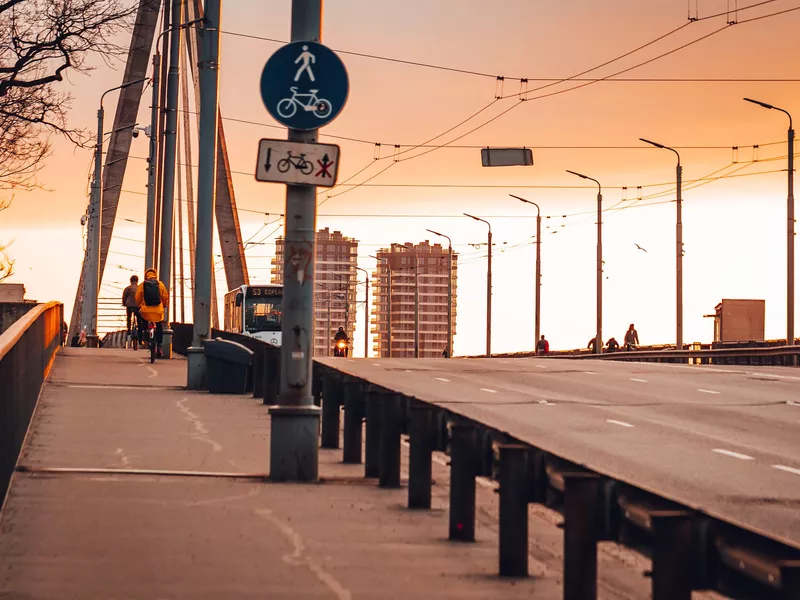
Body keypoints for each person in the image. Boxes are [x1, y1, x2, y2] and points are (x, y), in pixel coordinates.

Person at [135, 268, 168, 358]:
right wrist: (164, 305)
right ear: (155, 275)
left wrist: (139, 306)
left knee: (144, 323)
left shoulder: (143, 285)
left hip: (146, 310)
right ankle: (159, 347)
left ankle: (146, 339)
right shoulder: (160, 284)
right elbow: (165, 296)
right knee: (159, 326)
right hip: (158, 310)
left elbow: (138, 297)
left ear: (146, 276)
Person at [122, 275, 140, 340]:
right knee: (139, 318)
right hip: (137, 305)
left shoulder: (127, 288)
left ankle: (129, 329)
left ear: (130, 281)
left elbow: (124, 297)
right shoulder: (139, 288)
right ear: (137, 281)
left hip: (129, 305)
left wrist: (124, 303)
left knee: (129, 317)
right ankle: (140, 329)